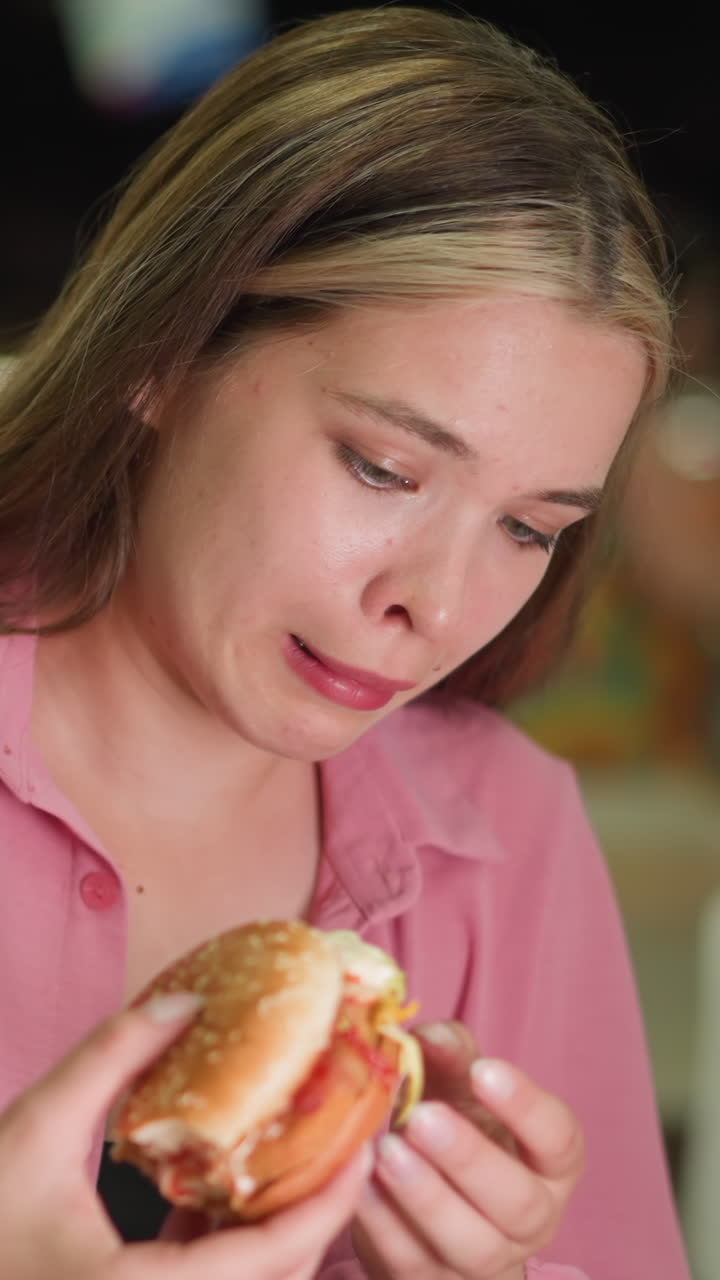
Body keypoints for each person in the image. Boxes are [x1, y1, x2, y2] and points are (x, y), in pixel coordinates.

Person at [0, 6, 690, 1277]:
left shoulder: (511, 835)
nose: (436, 604)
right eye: (383, 467)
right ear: (165, 347)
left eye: (531, 530)